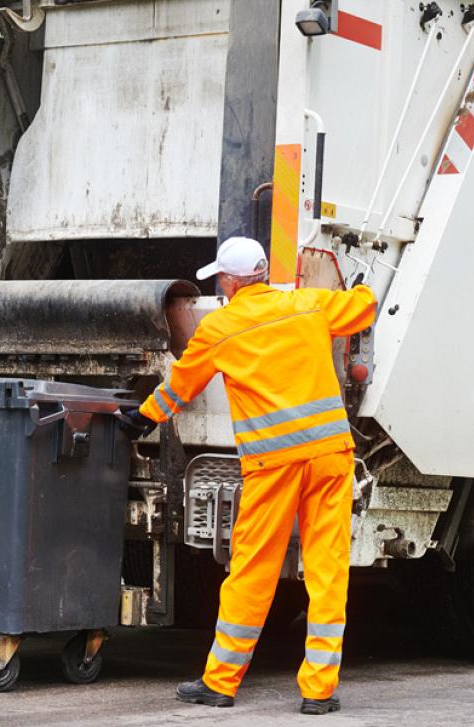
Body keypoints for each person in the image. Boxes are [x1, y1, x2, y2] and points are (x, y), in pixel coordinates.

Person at [120, 236, 376, 715]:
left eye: (221, 276)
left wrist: (142, 417)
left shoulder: (221, 327)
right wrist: (361, 284)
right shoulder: (308, 305)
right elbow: (362, 309)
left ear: (233, 281)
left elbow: (181, 385)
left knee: (253, 571)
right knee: (327, 571)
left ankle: (220, 683)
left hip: (272, 466)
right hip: (329, 458)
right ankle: (318, 692)